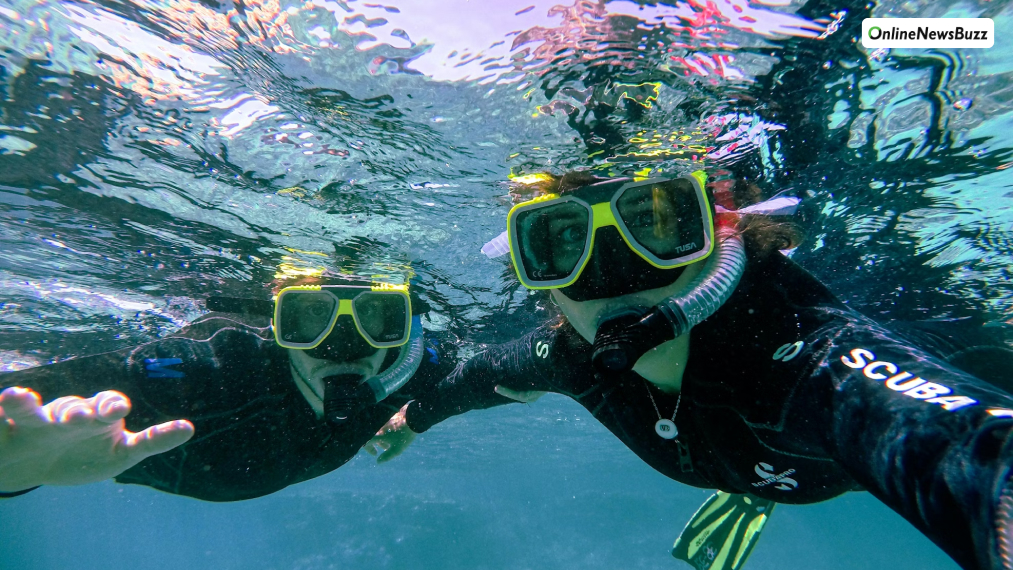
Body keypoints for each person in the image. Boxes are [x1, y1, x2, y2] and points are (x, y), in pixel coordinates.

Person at [370, 170, 1013, 570]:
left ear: (725, 232)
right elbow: (477, 376)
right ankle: (756, 486)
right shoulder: (570, 354)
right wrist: (413, 419)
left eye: (656, 221)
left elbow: (961, 448)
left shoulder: (810, 360)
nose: (612, 274)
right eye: (562, 240)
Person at [0, 275, 453, 501]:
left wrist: (417, 417)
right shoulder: (209, 368)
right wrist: (18, 472)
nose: (343, 348)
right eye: (311, 316)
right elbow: (22, 413)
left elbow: (485, 374)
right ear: (277, 322)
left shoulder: (413, 363)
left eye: (377, 317)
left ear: (403, 325)